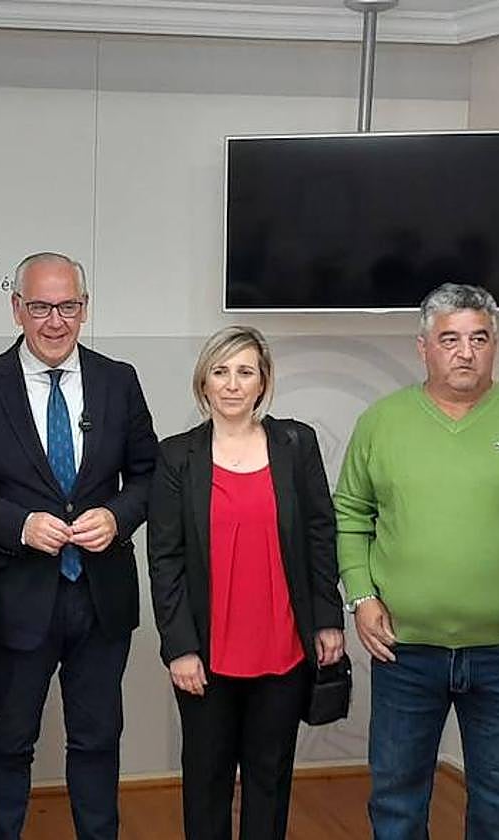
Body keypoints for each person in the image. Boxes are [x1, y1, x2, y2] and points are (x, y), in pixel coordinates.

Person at [335, 283, 499, 839]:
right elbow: (350, 515)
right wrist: (361, 595)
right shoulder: (381, 423)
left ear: (495, 346)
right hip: (405, 650)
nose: (465, 351)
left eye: (479, 338)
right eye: (449, 338)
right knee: (396, 799)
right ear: (423, 347)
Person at [0, 252, 158, 840]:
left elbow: (149, 477)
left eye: (67, 306)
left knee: (97, 741)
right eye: (40, 307)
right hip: (17, 601)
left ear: (84, 310)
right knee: (10, 743)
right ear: (17, 309)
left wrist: (116, 518)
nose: (55, 321)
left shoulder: (120, 380)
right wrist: (17, 525)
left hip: (100, 597)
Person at [146, 325, 344, 840]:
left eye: (245, 372)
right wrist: (180, 648)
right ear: (204, 383)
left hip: (284, 647)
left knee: (270, 777)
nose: (232, 384)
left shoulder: (297, 444)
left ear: (263, 382)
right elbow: (165, 560)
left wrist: (327, 618)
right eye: (220, 371)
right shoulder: (176, 457)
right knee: (206, 780)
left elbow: (321, 533)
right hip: (207, 655)